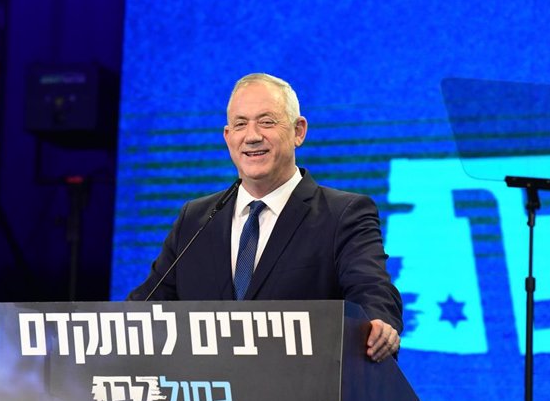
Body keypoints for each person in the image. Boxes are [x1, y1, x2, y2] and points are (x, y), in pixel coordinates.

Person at [128, 73, 402, 362]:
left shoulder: (343, 214)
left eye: (267, 121)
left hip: (302, 395)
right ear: (227, 136)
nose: (252, 135)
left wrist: (378, 323)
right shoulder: (194, 219)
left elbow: (372, 290)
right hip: (207, 396)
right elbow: (145, 306)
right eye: (240, 124)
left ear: (299, 131)